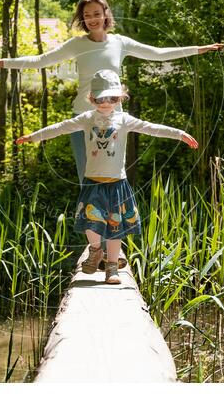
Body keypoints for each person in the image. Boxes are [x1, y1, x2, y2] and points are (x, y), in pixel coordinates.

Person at [0, 0, 221, 182]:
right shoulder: (77, 44)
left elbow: (158, 53)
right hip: (83, 117)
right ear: (83, 18)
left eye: (96, 13)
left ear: (105, 13)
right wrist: (0, 62)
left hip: (114, 119)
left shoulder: (120, 42)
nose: (91, 19)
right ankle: (94, 246)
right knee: (87, 178)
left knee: (113, 177)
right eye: (86, 15)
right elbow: (40, 61)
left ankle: (111, 241)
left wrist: (199, 50)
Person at [16, 69, 198, 285]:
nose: (106, 103)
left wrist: (179, 134)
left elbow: (152, 128)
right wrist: (34, 137)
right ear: (92, 98)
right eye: (101, 98)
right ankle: (95, 250)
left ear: (119, 98)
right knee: (89, 224)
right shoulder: (86, 118)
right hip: (93, 182)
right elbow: (60, 128)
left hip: (117, 184)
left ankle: (112, 269)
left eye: (112, 98)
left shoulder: (124, 119)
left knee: (115, 228)